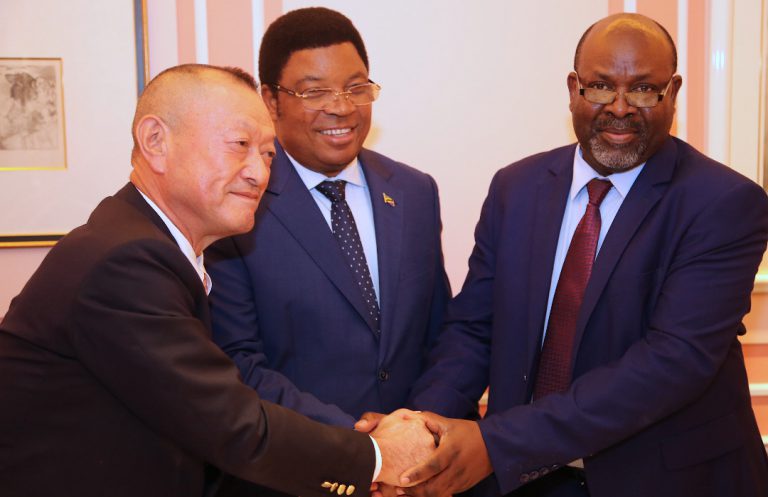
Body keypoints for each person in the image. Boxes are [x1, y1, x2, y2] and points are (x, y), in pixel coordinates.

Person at [361, 13, 768, 497]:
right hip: (526, 477)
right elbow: (475, 328)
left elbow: (671, 362)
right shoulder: (516, 187)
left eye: (643, 89)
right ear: (574, 88)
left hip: (664, 480)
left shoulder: (723, 202)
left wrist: (496, 443)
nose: (620, 107)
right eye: (601, 86)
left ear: (672, 92)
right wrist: (423, 428)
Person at [0, 64, 434, 497]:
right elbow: (232, 424)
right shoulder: (126, 263)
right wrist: (378, 456)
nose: (258, 173)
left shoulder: (145, 246)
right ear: (155, 141)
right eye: (239, 145)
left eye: (267, 155)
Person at [206, 7, 450, 428]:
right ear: (271, 101)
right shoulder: (239, 202)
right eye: (314, 92)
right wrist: (363, 443)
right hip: (299, 456)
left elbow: (440, 335)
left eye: (356, 88)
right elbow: (238, 363)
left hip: (415, 454)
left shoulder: (414, 192)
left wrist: (417, 427)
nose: (341, 108)